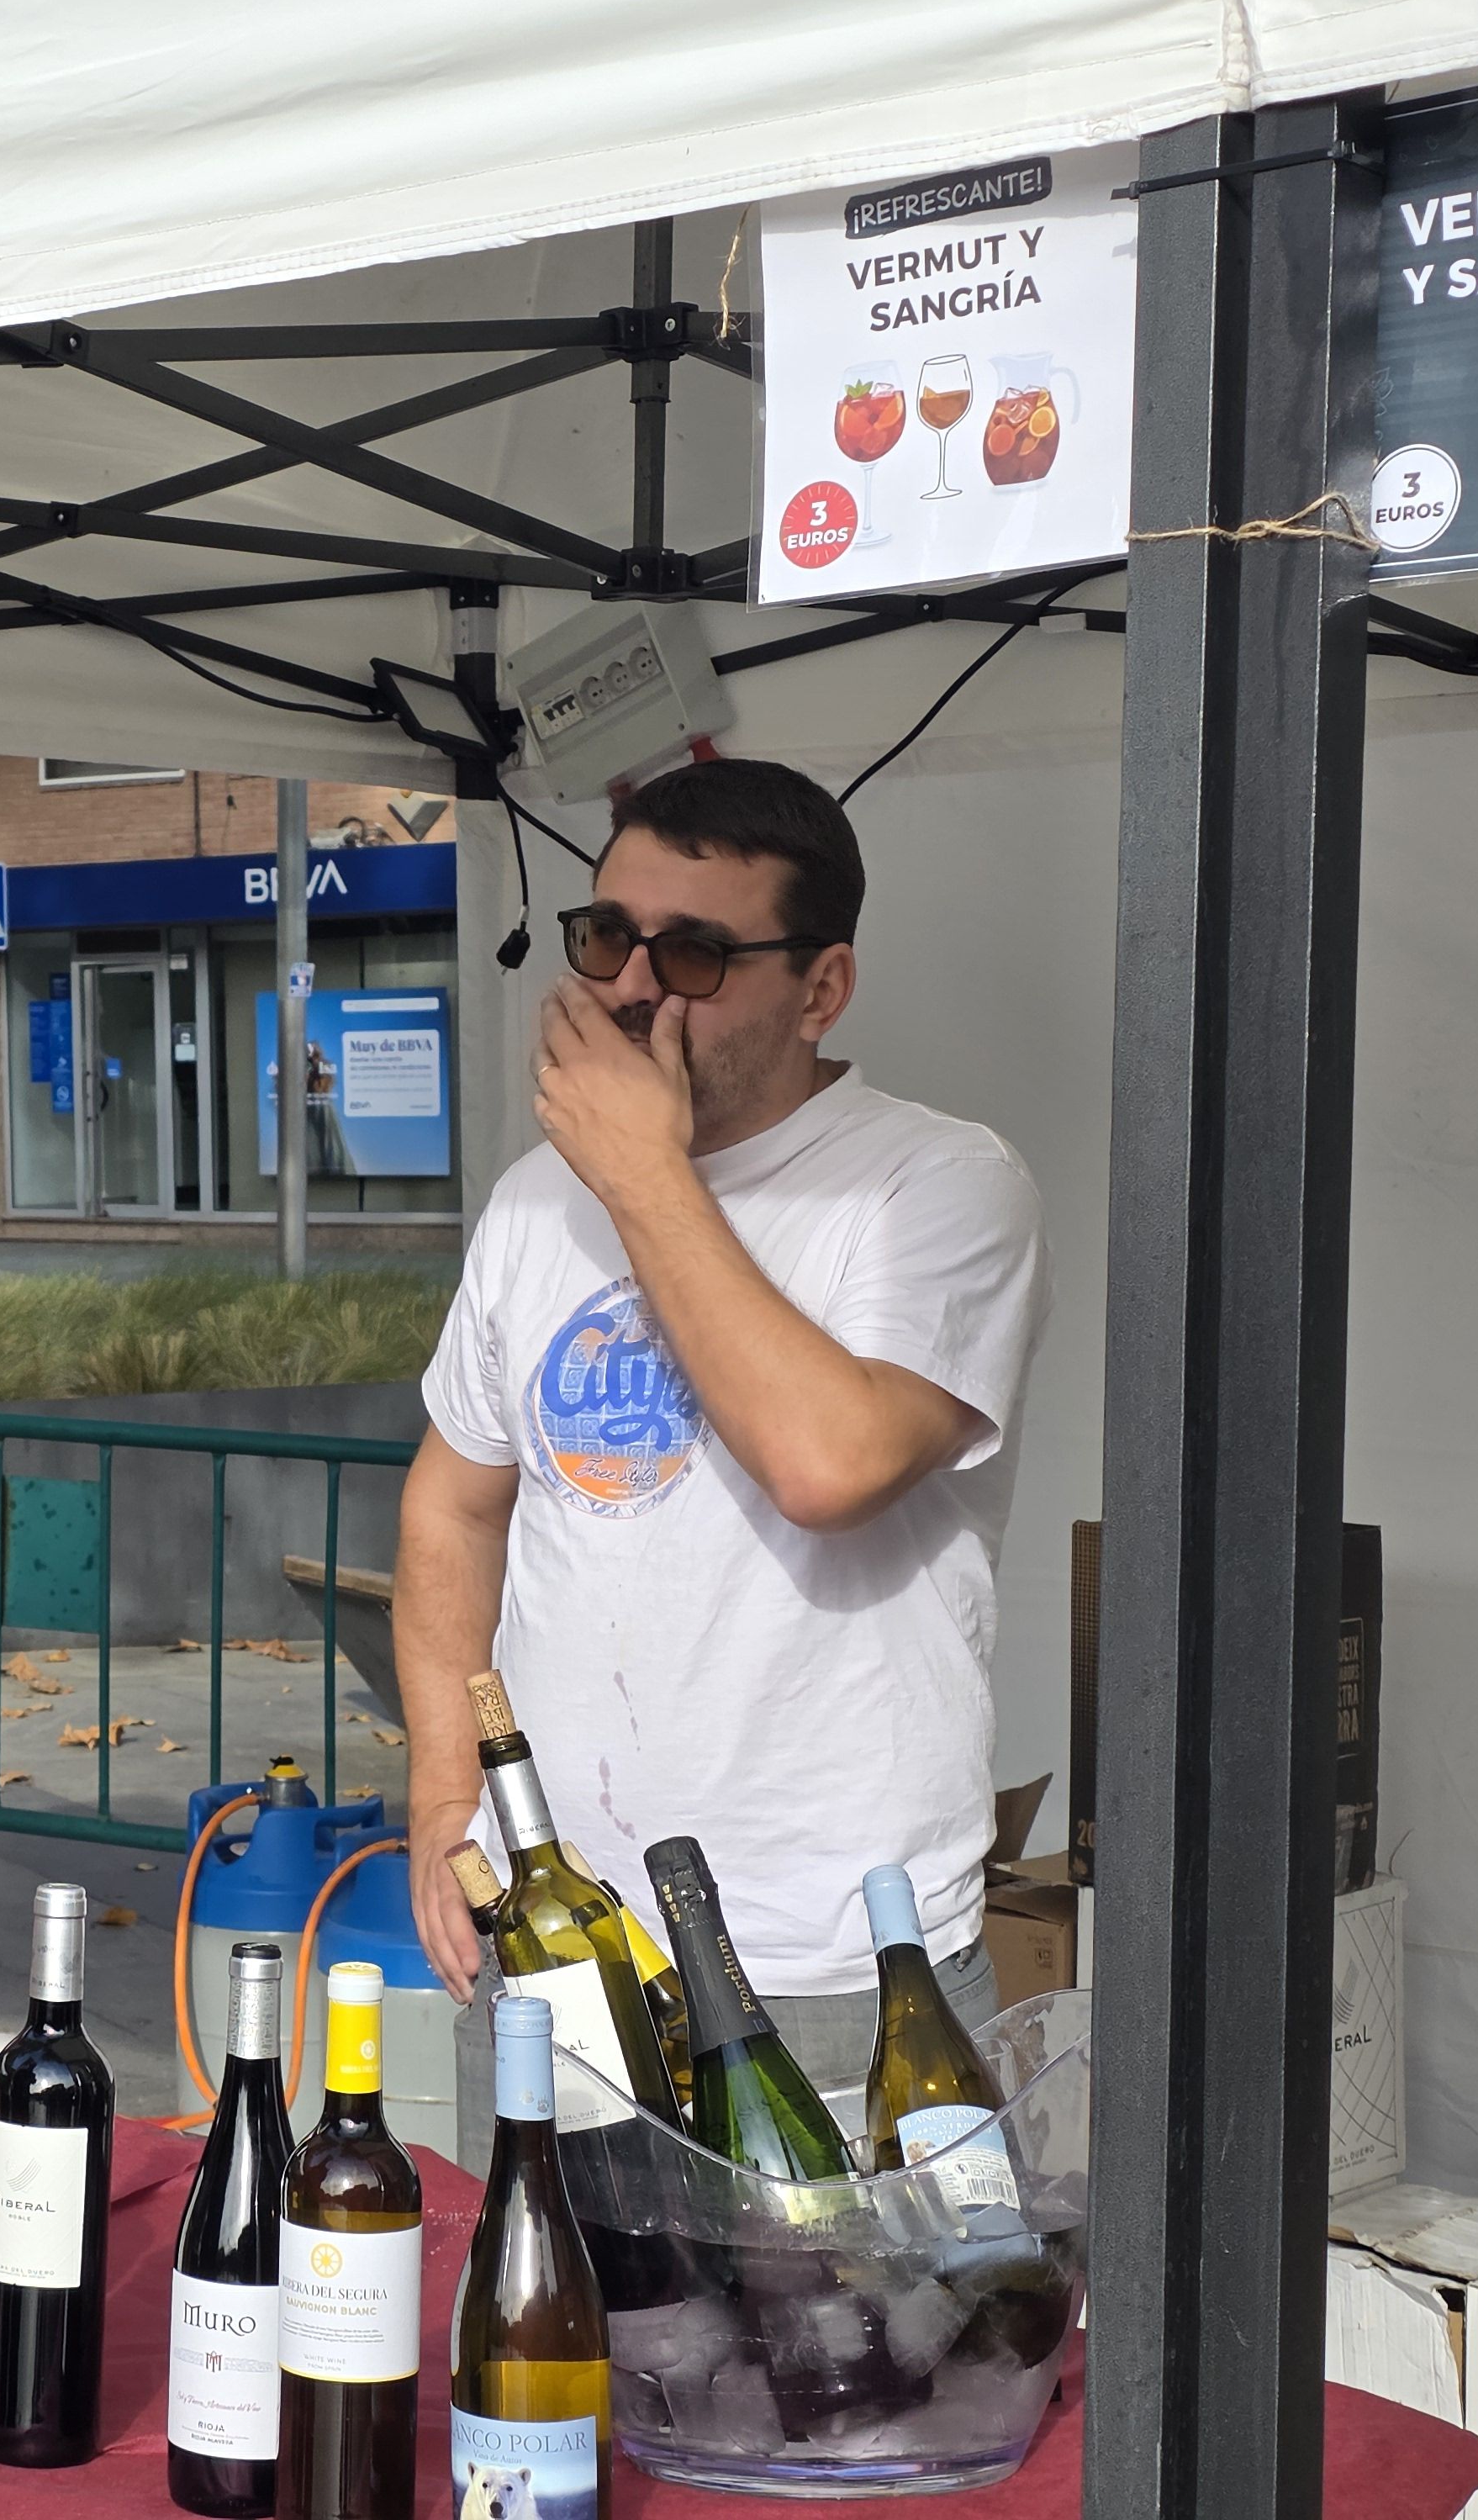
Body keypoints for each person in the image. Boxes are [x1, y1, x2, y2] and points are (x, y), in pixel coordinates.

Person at [395, 756, 1050, 2089]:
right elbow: (453, 1507)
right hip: (560, 1940)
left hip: (834, 1962)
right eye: (607, 938)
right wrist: (446, 1795)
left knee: (848, 2248)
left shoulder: (933, 1182)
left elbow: (831, 1465)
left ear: (821, 988)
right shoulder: (535, 1200)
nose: (635, 986)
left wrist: (643, 1168)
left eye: (694, 952)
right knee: (529, 2243)